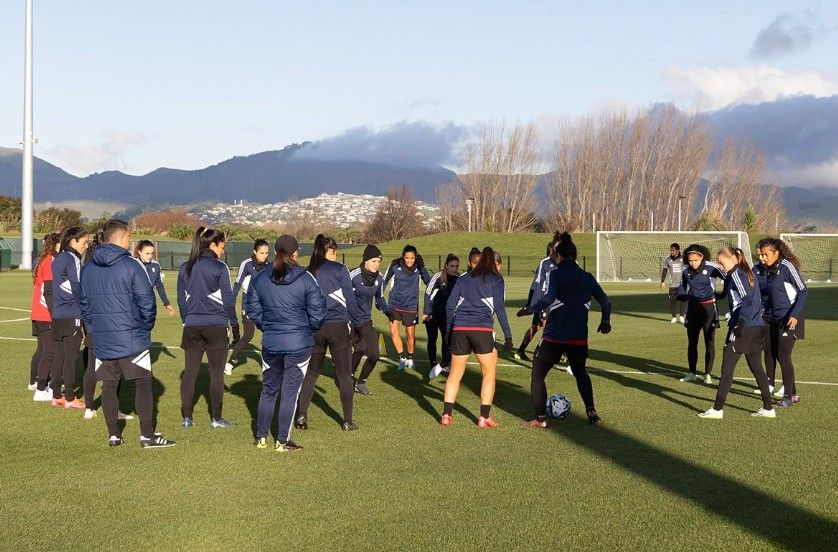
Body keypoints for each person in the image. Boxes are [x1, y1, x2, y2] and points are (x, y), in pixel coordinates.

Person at [79, 219, 175, 447]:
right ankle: (147, 436)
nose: (130, 240)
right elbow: (147, 302)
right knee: (143, 383)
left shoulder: (89, 268)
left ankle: (114, 435)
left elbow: (84, 305)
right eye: (128, 237)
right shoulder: (132, 266)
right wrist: (145, 326)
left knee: (109, 386)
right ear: (122, 238)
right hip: (132, 338)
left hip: (103, 338)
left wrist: (95, 328)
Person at [517, 233, 611, 427]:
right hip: (578, 337)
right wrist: (605, 321)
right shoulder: (587, 277)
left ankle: (540, 419)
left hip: (555, 337)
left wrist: (529, 309)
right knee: (580, 372)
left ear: (559, 256)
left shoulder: (556, 273)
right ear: (574, 256)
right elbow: (605, 301)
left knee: (537, 374)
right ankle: (591, 411)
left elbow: (547, 299)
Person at [245, 235, 326, 452]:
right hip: (299, 345)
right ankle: (282, 441)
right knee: (290, 393)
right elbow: (318, 312)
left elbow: (252, 309)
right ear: (295, 253)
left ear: (275, 252)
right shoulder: (306, 278)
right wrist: (306, 330)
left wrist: (268, 326)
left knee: (269, 390)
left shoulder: (260, 278)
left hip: (271, 342)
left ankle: (261, 437)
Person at [296, 235, 363, 431]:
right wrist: (358, 324)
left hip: (314, 328)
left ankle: (301, 415)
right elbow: (350, 300)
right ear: (330, 251)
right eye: (334, 252)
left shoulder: (307, 272)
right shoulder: (340, 269)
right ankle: (347, 421)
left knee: (311, 373)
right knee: (344, 375)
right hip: (338, 326)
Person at [698, 247, 775, 419]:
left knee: (727, 369)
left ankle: (717, 410)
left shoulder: (737, 274)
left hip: (744, 328)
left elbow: (747, 300)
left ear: (733, 259)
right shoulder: (743, 273)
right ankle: (769, 408)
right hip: (757, 327)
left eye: (722, 262)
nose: (720, 265)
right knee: (757, 368)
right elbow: (744, 297)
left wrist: (739, 323)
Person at [440, 247, 513, 427]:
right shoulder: (496, 279)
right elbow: (500, 309)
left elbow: (450, 306)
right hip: (482, 330)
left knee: (455, 373)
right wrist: (508, 336)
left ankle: (446, 415)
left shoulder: (462, 278)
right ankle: (484, 417)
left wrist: (449, 331)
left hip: (460, 329)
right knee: (488, 374)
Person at [176, 227, 240, 428]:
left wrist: (187, 319)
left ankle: (187, 417)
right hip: (216, 326)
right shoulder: (220, 267)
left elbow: (181, 299)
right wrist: (235, 325)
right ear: (213, 245)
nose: (223, 251)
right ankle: (216, 418)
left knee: (190, 373)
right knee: (216, 374)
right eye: (222, 246)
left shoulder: (185, 267)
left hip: (192, 326)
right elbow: (228, 301)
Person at [755, 237, 808, 407]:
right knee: (778, 355)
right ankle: (793, 394)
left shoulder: (787, 267)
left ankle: (788, 398)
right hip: (775, 318)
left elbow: (803, 291)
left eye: (765, 255)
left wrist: (794, 315)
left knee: (783, 356)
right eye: (760, 255)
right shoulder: (769, 270)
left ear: (776, 252)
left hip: (790, 319)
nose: (762, 258)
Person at [49, 226, 90, 409]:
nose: (87, 246)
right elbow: (77, 287)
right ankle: (70, 397)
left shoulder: (57, 259)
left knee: (59, 355)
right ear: (73, 241)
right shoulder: (72, 258)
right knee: (70, 357)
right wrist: (86, 309)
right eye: (84, 242)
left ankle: (56, 395)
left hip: (57, 314)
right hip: (72, 313)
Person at [676, 244, 725, 384]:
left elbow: (728, 278)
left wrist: (722, 294)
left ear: (702, 257)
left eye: (695, 260)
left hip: (709, 309)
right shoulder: (685, 270)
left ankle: (707, 374)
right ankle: (692, 373)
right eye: (690, 260)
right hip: (692, 309)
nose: (692, 263)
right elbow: (682, 286)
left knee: (709, 341)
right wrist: (682, 295)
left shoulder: (712, 267)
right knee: (692, 342)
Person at [383, 245, 432, 370]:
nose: (409, 260)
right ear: (403, 257)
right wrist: (380, 297)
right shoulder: (394, 265)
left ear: (415, 257)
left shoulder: (420, 267)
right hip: (394, 304)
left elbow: (429, 282)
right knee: (394, 331)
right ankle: (402, 357)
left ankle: (410, 357)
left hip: (410, 306)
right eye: (407, 258)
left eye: (412, 258)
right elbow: (384, 281)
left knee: (410, 334)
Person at [225, 239, 270, 375]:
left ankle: (267, 364)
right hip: (249, 304)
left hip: (264, 305)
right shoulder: (247, 264)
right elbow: (237, 283)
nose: (264, 256)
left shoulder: (269, 266)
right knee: (248, 335)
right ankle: (230, 362)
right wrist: (231, 301)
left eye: (266, 253)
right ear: (255, 252)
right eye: (261, 253)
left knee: (268, 334)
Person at [515, 234, 562, 362]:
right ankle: (540, 353)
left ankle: (521, 350)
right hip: (544, 301)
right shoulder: (545, 263)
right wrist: (532, 304)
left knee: (538, 327)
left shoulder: (564, 263)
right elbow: (536, 284)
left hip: (557, 302)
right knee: (545, 327)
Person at [349, 244, 388, 395]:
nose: (377, 265)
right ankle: (348, 377)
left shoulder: (379, 278)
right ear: (365, 260)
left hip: (365, 321)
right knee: (359, 349)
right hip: (350, 320)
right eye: (373, 261)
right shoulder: (353, 275)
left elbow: (380, 299)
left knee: (374, 354)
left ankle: (361, 382)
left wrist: (388, 311)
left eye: (379, 262)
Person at [31, 232, 59, 400]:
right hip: (45, 314)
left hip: (40, 313)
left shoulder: (46, 260)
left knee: (45, 350)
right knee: (50, 351)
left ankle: (42, 385)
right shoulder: (49, 262)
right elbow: (47, 293)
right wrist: (55, 314)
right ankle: (40, 389)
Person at [425, 254, 460, 380]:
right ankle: (433, 363)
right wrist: (426, 312)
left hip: (447, 315)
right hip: (433, 313)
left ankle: (445, 365)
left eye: (456, 266)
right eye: (452, 266)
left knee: (447, 340)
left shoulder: (459, 278)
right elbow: (428, 294)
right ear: (446, 266)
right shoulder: (438, 277)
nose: (454, 268)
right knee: (432, 338)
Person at [134, 240, 176, 317]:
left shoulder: (155, 265)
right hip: (134, 305)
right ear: (140, 252)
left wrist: (167, 304)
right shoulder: (133, 264)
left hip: (149, 304)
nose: (150, 256)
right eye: (147, 253)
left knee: (147, 327)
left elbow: (159, 286)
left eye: (152, 253)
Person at [660, 243, 686, 323]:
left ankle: (682, 316)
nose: (671, 252)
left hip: (682, 283)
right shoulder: (667, 259)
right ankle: (674, 316)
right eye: (671, 250)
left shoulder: (683, 259)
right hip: (672, 284)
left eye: (673, 250)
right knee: (672, 301)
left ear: (678, 250)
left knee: (684, 299)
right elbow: (664, 270)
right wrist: (662, 281)